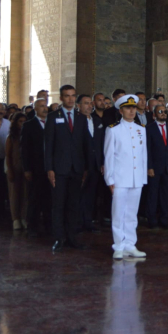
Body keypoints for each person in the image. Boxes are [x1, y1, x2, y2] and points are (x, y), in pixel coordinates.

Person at [45, 85, 89, 252]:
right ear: (61, 98)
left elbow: (85, 144)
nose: (70, 99)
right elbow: (48, 145)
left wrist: (86, 168)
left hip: (76, 168)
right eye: (67, 96)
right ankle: (59, 238)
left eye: (72, 96)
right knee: (58, 205)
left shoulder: (81, 117)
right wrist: (49, 168)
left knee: (73, 205)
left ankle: (72, 237)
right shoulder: (52, 117)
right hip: (59, 169)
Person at [104, 94, 147, 259]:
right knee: (118, 213)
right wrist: (110, 179)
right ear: (121, 110)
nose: (132, 111)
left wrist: (143, 178)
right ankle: (118, 246)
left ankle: (130, 244)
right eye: (128, 108)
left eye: (134, 107)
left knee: (131, 214)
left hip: (136, 178)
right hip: (120, 178)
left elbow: (143, 156)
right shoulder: (113, 129)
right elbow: (108, 156)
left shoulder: (141, 129)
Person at [21, 98, 52, 237]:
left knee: (49, 198)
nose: (45, 108)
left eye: (46, 106)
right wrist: (27, 168)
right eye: (41, 106)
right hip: (35, 167)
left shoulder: (52, 123)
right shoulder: (29, 125)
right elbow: (25, 149)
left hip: (50, 167)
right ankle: (32, 226)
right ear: (35, 109)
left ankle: (48, 225)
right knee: (35, 198)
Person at [146, 104, 168, 229]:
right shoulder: (149, 128)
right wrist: (149, 166)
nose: (163, 113)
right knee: (153, 194)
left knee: (166, 195)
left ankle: (164, 220)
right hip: (154, 167)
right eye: (160, 111)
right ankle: (152, 220)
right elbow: (147, 149)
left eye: (165, 111)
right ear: (154, 114)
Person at [78, 94, 103, 233]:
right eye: (86, 103)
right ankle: (77, 222)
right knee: (78, 194)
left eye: (90, 103)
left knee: (91, 194)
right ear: (79, 106)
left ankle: (88, 221)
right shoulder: (76, 121)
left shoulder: (97, 120)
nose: (89, 106)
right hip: (81, 164)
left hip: (96, 164)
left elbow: (101, 142)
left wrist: (102, 162)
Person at [5, 112, 27, 231]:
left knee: (25, 193)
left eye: (24, 121)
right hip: (15, 167)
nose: (22, 124)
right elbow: (8, 155)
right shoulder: (11, 137)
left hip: (25, 168)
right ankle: (16, 219)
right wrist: (10, 170)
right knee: (14, 193)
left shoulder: (28, 136)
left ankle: (23, 216)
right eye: (20, 121)